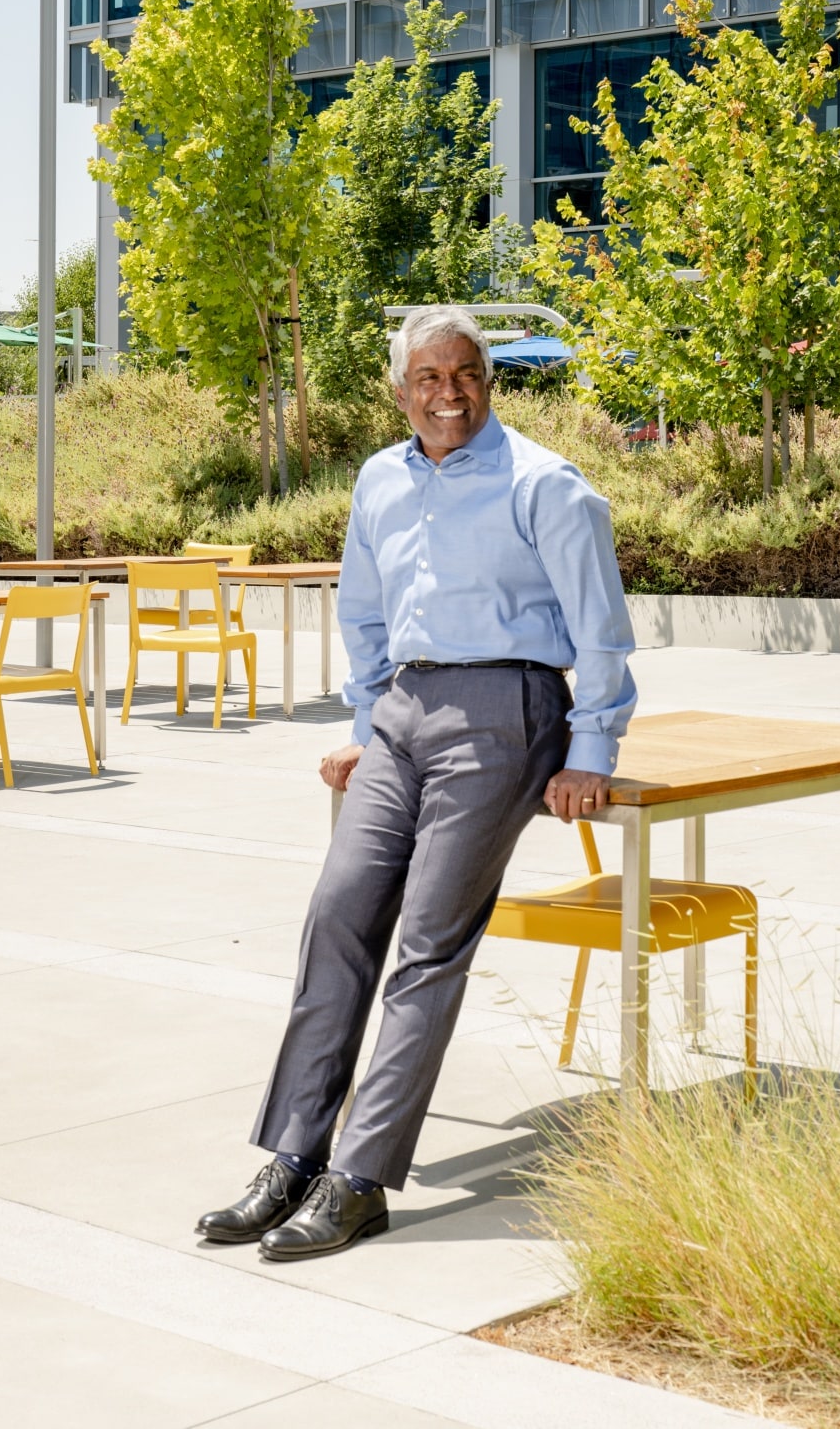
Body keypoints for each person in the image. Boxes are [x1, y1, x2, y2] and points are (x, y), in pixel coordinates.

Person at [196, 305, 637, 1261]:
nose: (448, 392)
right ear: (399, 391)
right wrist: (365, 726)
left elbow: (600, 627)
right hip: (401, 713)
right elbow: (363, 611)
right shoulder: (380, 480)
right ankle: (293, 1156)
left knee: (429, 942)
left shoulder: (546, 486)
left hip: (506, 709)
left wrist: (590, 748)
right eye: (428, 378)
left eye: (466, 373)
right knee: (337, 915)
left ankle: (359, 1179)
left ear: (489, 381)